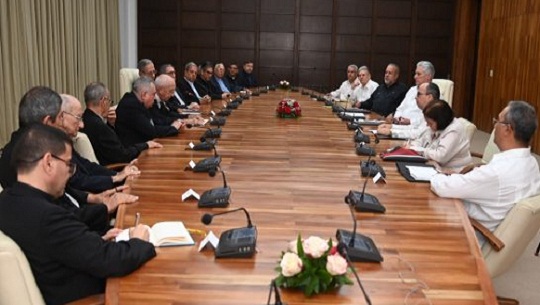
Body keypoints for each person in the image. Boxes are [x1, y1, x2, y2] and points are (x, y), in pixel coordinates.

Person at [0, 124, 156, 305]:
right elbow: (110, 260)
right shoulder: (48, 216)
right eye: (68, 165)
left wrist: (97, 238)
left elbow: (58, 245)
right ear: (49, 162)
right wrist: (139, 240)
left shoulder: (7, 200)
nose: (70, 174)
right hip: (87, 295)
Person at [0, 87, 138, 234]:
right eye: (61, 117)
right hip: (73, 234)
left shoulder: (31, 144)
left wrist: (94, 197)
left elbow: (68, 190)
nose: (64, 123)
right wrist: (105, 206)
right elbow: (57, 216)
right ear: (47, 122)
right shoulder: (30, 156)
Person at [431, 100, 540, 234]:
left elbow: (443, 187)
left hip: (468, 232)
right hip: (481, 220)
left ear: (507, 129)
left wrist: (435, 172)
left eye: (497, 121)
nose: (494, 126)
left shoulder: (497, 172)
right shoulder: (532, 163)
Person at [61, 94, 140, 193]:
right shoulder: (52, 145)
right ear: (61, 117)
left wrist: (117, 175)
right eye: (78, 117)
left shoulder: (64, 140)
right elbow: (78, 181)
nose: (82, 125)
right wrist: (114, 178)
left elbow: (87, 166)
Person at [81, 82, 163, 166]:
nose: (109, 105)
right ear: (103, 101)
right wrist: (146, 145)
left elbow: (110, 146)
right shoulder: (99, 126)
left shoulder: (85, 119)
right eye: (109, 101)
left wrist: (111, 124)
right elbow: (122, 155)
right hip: (114, 170)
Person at [116, 77, 183, 146]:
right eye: (153, 94)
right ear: (144, 95)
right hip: (135, 152)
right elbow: (151, 131)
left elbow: (154, 123)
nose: (154, 98)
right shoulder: (131, 106)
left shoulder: (138, 102)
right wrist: (173, 128)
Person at [407, 99, 472, 170]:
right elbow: (421, 140)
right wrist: (413, 146)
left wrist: (418, 150)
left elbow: (440, 156)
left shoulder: (454, 130)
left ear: (441, 120)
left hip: (453, 171)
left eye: (430, 123)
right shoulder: (437, 126)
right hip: (433, 165)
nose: (427, 125)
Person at [388, 61, 435, 125]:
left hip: (414, 128)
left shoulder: (433, 94)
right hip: (399, 125)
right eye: (415, 74)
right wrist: (397, 119)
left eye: (418, 74)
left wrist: (410, 121)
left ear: (428, 77)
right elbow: (400, 108)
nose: (415, 77)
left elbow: (427, 119)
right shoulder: (412, 90)